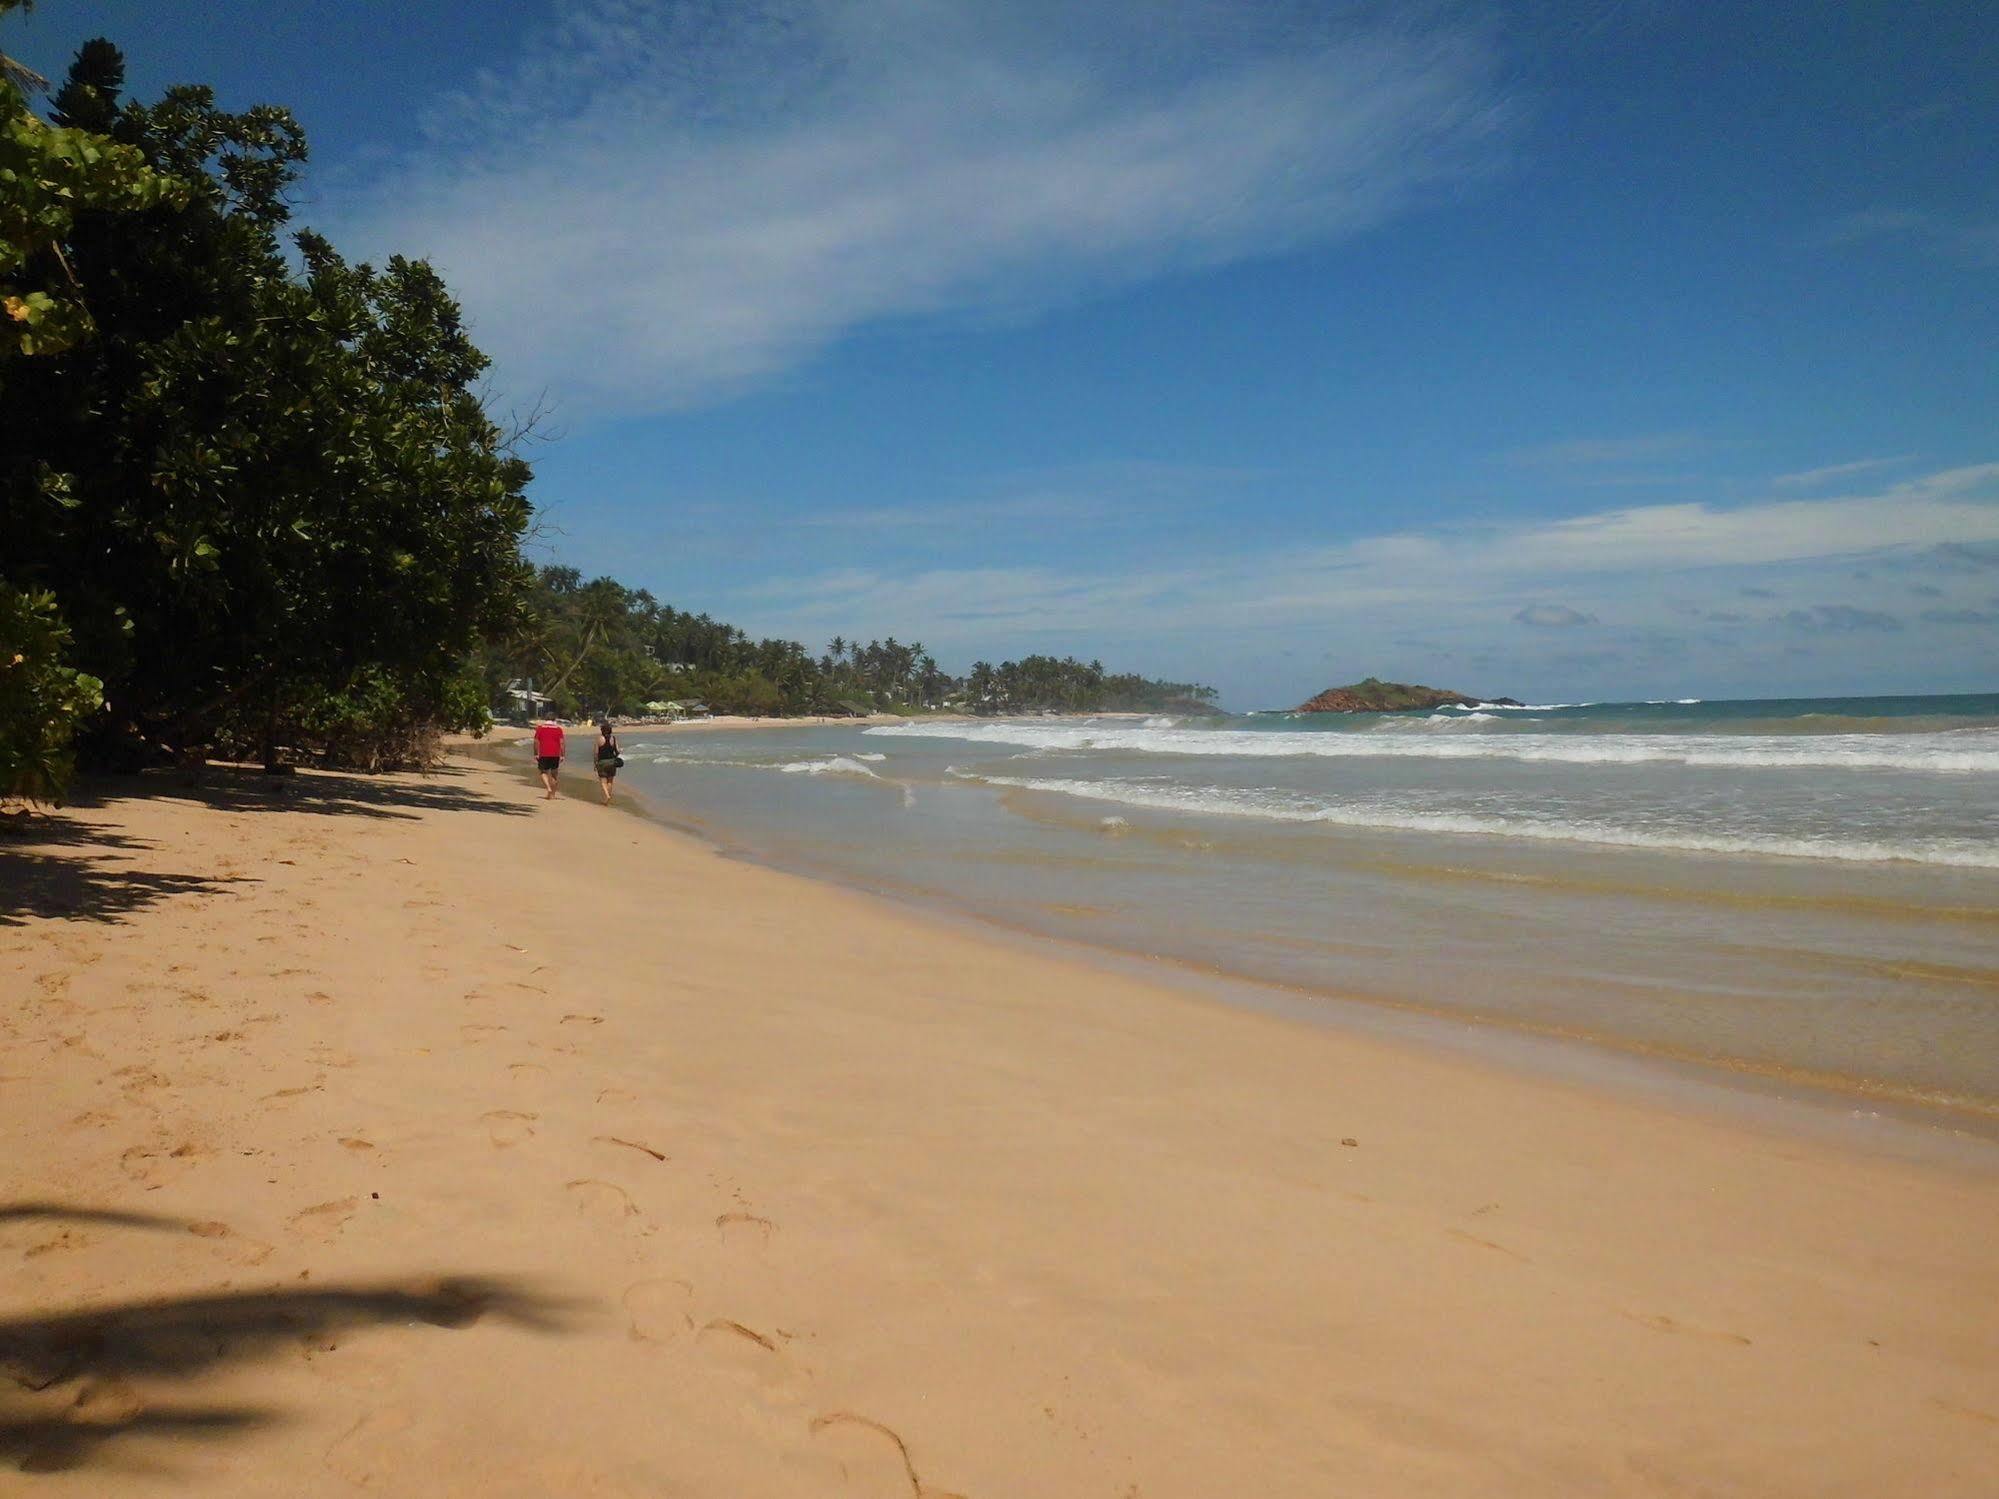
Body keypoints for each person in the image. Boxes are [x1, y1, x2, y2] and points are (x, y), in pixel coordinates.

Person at [532, 719, 565, 799]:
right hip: (555, 754)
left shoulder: (540, 728)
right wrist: (562, 755)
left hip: (544, 753)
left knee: (543, 772)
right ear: (554, 720)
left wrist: (536, 753)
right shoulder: (558, 729)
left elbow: (536, 741)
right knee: (554, 775)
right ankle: (553, 795)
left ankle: (548, 788)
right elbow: (562, 743)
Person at [594, 719, 622, 804]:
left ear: (602, 730)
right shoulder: (613, 739)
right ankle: (607, 798)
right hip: (612, 761)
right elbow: (617, 751)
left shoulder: (599, 739)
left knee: (603, 781)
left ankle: (607, 795)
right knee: (610, 781)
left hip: (602, 762)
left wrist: (595, 763)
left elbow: (596, 753)